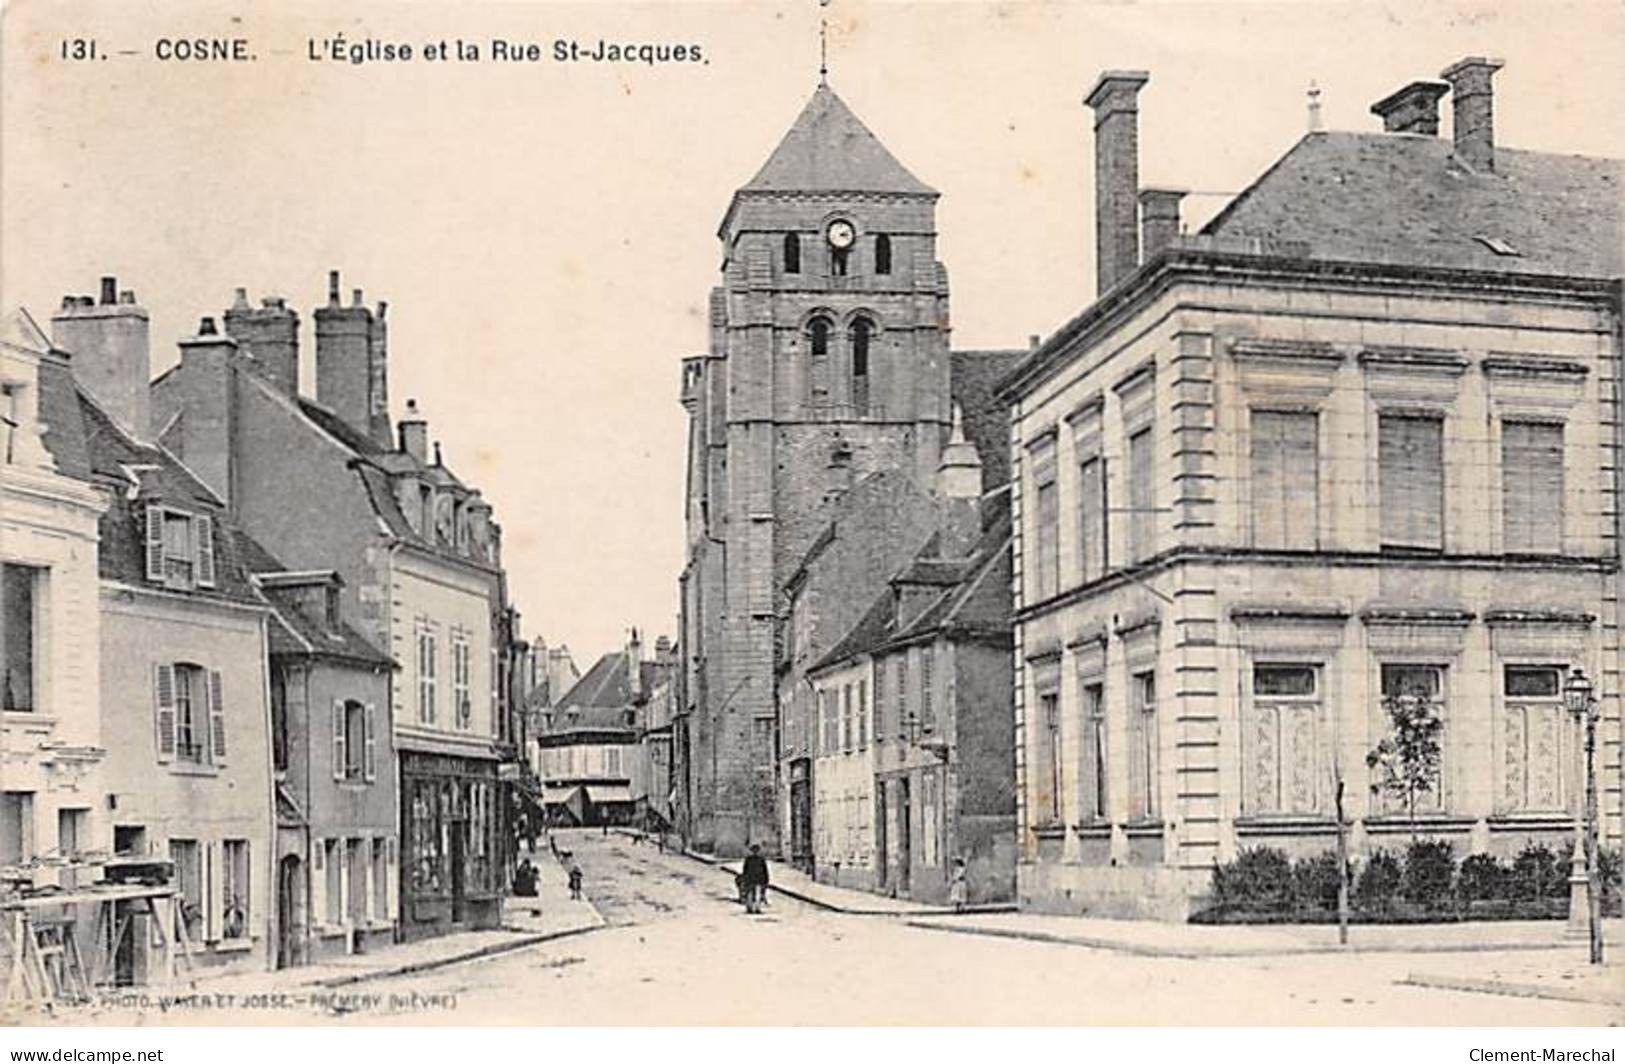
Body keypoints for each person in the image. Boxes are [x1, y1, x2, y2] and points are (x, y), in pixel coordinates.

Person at [740, 844, 770, 914]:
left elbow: (764, 870)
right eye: (754, 851)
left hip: (755, 879)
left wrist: (766, 879)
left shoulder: (759, 859)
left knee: (756, 894)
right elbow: (745, 870)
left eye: (756, 851)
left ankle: (755, 907)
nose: (755, 852)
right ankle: (753, 907)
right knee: (753, 894)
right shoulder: (751, 859)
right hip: (753, 879)